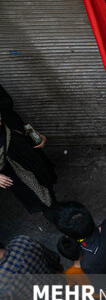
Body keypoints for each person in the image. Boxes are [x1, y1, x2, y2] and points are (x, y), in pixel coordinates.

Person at [0, 84, 57, 218]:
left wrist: (33, 134)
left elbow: (10, 113)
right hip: (12, 166)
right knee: (38, 196)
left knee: (45, 181)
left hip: (25, 149)